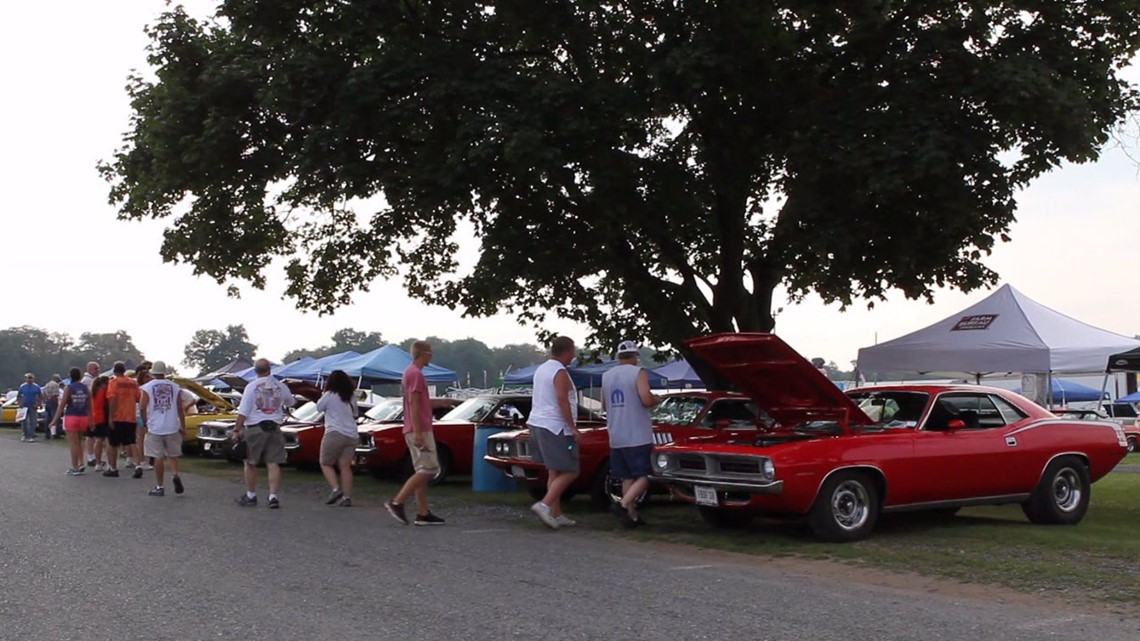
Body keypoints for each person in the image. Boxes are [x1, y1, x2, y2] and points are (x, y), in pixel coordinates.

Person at [383, 341, 445, 526]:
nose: (431, 357)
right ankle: (397, 502)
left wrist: (441, 403)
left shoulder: (409, 373)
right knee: (430, 468)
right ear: (423, 354)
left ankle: (422, 512)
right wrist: (418, 432)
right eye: (430, 353)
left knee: (421, 469)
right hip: (420, 428)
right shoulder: (416, 374)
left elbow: (420, 401)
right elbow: (414, 404)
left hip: (414, 427)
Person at [601, 341, 660, 527]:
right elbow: (646, 399)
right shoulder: (638, 372)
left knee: (627, 476)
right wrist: (656, 399)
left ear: (619, 356)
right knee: (645, 475)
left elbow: (603, 405)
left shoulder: (606, 376)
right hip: (637, 433)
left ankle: (631, 516)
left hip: (616, 433)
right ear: (635, 356)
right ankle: (623, 504)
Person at [526, 336, 580, 530]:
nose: (574, 355)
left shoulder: (541, 369)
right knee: (571, 470)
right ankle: (544, 504)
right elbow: (562, 399)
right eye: (573, 350)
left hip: (538, 422)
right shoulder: (559, 371)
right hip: (555, 426)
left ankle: (556, 513)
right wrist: (572, 426)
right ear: (567, 351)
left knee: (554, 470)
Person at [233, 358, 295, 508]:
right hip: (274, 427)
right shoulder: (280, 386)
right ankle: (273, 497)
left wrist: (236, 429)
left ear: (255, 370)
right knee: (273, 463)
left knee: (250, 462)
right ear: (270, 369)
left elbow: (244, 411)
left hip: (255, 428)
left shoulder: (251, 387)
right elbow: (291, 402)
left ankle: (251, 495)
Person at [139, 361, 187, 497]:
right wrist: (182, 426)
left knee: (157, 457)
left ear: (152, 372)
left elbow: (142, 407)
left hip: (155, 426)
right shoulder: (175, 387)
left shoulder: (147, 387)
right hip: (172, 425)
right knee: (173, 455)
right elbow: (179, 408)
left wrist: (145, 422)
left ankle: (160, 486)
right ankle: (175, 474)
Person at [317, 369, 358, 507]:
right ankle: (347, 497)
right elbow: (356, 414)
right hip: (352, 434)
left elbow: (319, 408)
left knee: (325, 462)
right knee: (345, 466)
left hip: (334, 432)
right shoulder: (350, 396)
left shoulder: (329, 395)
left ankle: (335, 489)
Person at [53, 368, 92, 474]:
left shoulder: (69, 388)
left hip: (72, 416)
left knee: (73, 443)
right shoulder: (85, 388)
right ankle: (81, 462)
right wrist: (91, 419)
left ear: (70, 376)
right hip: (83, 417)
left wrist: (54, 420)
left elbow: (62, 405)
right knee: (80, 441)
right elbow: (90, 405)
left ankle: (75, 467)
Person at [106, 361, 141, 478]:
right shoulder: (133, 383)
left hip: (118, 416)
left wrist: (110, 416)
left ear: (115, 371)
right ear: (124, 370)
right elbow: (137, 398)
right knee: (132, 442)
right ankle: (138, 465)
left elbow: (112, 399)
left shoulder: (113, 382)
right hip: (130, 416)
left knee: (113, 443)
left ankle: (113, 468)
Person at [81, 362, 101, 468]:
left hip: (94, 410)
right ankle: (91, 457)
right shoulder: (87, 381)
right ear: (89, 369)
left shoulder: (92, 380)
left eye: (98, 368)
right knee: (90, 435)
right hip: (90, 410)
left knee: (93, 435)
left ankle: (94, 456)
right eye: (95, 369)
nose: (97, 370)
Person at [16, 373, 43, 443]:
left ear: (33, 379)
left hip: (33, 405)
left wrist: (38, 404)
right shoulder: (23, 386)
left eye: (31, 378)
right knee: (24, 421)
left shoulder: (36, 387)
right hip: (24, 405)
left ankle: (31, 435)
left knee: (33, 421)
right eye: (28, 378)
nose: (29, 379)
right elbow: (19, 396)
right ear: (26, 379)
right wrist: (20, 403)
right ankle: (25, 434)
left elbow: (40, 396)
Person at [41, 374, 61, 439]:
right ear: (56, 379)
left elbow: (43, 394)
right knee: (55, 418)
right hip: (53, 401)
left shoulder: (47, 384)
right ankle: (56, 434)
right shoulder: (55, 385)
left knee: (48, 418)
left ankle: (47, 434)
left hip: (47, 401)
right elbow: (55, 395)